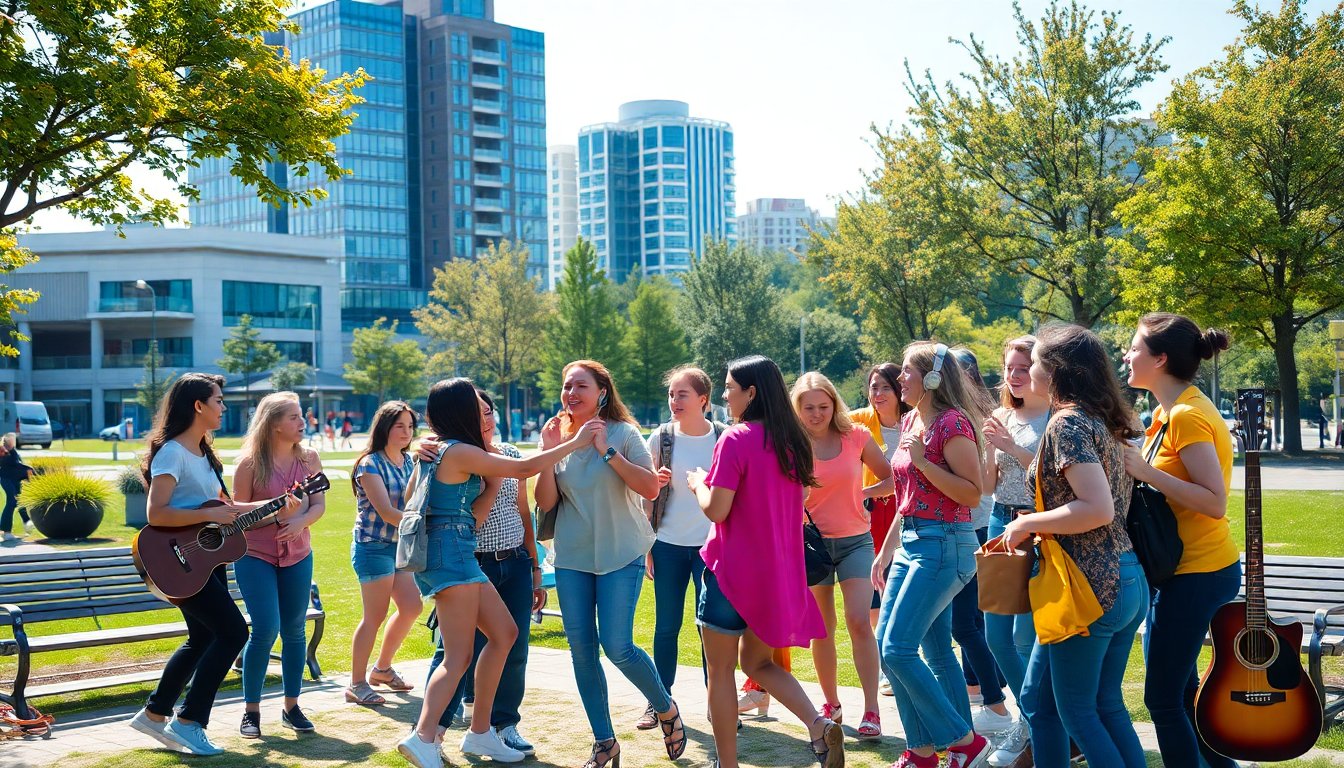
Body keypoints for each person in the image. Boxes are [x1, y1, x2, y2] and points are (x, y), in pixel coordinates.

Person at [396, 378, 598, 768]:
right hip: (451, 556)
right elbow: (523, 468)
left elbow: (411, 500)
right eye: (477, 405)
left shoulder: (440, 450)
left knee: (504, 634)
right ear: (460, 411)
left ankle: (480, 732)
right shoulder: (455, 451)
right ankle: (423, 738)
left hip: (455, 552)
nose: (485, 411)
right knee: (457, 656)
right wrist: (571, 444)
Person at [128, 373, 299, 756]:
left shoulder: (204, 453)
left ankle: (155, 714)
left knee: (203, 637)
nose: (224, 407)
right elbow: (157, 514)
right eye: (219, 400)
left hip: (205, 559)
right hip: (177, 558)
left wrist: (274, 507)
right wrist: (212, 519)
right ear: (198, 406)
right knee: (235, 632)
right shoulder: (173, 452)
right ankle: (189, 722)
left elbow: (225, 512)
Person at [688, 355, 843, 768]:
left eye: (729, 388)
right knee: (758, 662)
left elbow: (717, 510)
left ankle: (728, 763)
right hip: (774, 574)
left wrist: (697, 483)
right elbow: (800, 500)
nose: (724, 395)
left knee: (720, 672)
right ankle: (817, 723)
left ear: (751, 393)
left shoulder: (734, 439)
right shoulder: (793, 442)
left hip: (730, 572)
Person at [1002, 324, 1146, 768]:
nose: (1030, 368)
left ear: (1057, 369)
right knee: (1056, 704)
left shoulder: (1067, 423)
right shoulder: (1097, 417)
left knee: (1079, 714)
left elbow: (1096, 508)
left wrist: (1027, 525)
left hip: (1089, 588)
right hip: (1119, 579)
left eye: (1038, 360)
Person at [532, 360, 685, 768]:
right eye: (567, 386)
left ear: (602, 392)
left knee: (617, 646)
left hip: (622, 552)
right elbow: (546, 503)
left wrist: (606, 451)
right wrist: (549, 453)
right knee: (581, 652)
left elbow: (651, 486)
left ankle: (664, 706)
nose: (571, 394)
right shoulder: (557, 436)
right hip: (572, 557)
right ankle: (604, 742)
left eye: (581, 386)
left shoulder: (623, 432)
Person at [1122, 313, 1240, 768]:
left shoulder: (1188, 415)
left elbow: (1214, 501)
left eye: (1134, 348)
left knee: (1163, 699)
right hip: (1179, 571)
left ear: (1161, 359)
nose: (1126, 355)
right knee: (1183, 694)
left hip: (1199, 572)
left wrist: (1146, 472)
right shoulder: (1167, 412)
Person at [874, 341, 992, 768]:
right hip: (912, 541)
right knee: (932, 652)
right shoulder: (911, 420)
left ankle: (963, 741)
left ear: (933, 378)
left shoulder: (952, 423)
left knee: (896, 649)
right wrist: (885, 552)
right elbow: (906, 495)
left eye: (906, 371)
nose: (898, 378)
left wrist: (924, 462)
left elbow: (971, 492)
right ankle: (922, 753)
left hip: (944, 545)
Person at [431, 388, 547, 755]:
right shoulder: (447, 452)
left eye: (490, 411)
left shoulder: (508, 453)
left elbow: (523, 510)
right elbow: (465, 519)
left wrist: (533, 565)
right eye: (479, 412)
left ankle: (501, 725)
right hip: (470, 562)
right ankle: (435, 730)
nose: (488, 418)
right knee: (454, 653)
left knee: (511, 643)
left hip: (511, 559)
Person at [790, 371, 891, 739]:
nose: (816, 414)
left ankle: (872, 709)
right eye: (808, 407)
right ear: (796, 409)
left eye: (823, 406)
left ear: (834, 404)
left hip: (855, 541)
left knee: (859, 620)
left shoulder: (856, 435)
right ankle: (830, 702)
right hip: (811, 544)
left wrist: (865, 495)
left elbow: (892, 478)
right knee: (822, 628)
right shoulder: (790, 444)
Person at [637, 366, 727, 730]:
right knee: (666, 626)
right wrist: (653, 485)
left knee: (712, 628)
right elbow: (641, 492)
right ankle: (659, 702)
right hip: (668, 545)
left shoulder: (725, 437)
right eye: (671, 395)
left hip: (713, 549)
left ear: (703, 400)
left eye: (682, 394)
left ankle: (716, 703)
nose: (674, 401)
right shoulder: (661, 438)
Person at [232, 392, 326, 738]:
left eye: (301, 416)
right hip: (255, 556)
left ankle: (291, 706)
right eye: (294, 417)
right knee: (266, 628)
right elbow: (235, 520)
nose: (303, 422)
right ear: (273, 424)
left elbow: (318, 505)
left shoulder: (309, 458)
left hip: (299, 554)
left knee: (294, 630)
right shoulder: (248, 465)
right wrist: (276, 516)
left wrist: (300, 522)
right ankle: (251, 712)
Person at [980, 335, 1050, 768]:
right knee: (995, 636)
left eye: (1023, 367)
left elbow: (1053, 475)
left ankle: (1036, 724)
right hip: (998, 523)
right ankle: (1032, 716)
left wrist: (1009, 446)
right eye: (1009, 367)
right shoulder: (1002, 414)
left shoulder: (1058, 416)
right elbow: (987, 487)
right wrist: (991, 446)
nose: (1015, 375)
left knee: (1026, 637)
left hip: (1037, 526)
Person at [946, 348, 1014, 736]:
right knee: (971, 622)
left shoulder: (976, 418)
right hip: (975, 526)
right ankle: (984, 693)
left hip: (977, 526)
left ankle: (994, 700)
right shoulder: (974, 414)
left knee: (967, 625)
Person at [347, 401, 423, 707]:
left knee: (411, 607)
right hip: (373, 546)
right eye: (399, 426)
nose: (406, 433)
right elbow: (388, 512)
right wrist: (425, 524)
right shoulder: (369, 464)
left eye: (409, 427)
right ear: (384, 428)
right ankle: (356, 683)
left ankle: (381, 669)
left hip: (399, 547)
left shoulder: (408, 461)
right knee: (374, 616)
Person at [0, 434, 33, 540]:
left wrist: (26, 471)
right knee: (11, 502)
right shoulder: (4, 452)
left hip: (14, 480)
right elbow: (15, 464)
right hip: (7, 480)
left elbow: (18, 464)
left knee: (20, 502)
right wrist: (28, 468)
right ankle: (6, 531)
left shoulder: (13, 451)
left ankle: (27, 524)